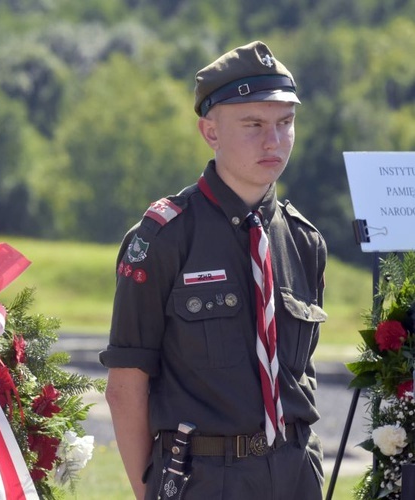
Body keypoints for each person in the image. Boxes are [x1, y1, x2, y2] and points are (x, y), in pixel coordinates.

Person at [100, 41, 327, 500]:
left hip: (296, 473)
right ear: (210, 131)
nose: (274, 141)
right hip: (204, 478)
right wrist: (150, 492)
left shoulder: (304, 241)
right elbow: (126, 387)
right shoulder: (163, 238)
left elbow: (301, 373)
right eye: (254, 125)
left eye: (286, 123)